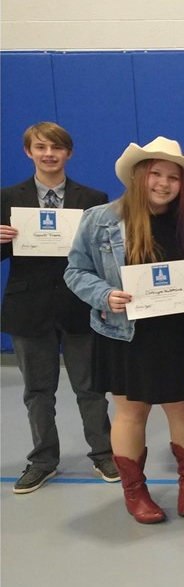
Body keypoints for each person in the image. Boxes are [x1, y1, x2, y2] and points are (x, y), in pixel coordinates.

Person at [64, 136, 184, 523]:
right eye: (156, 174)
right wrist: (105, 295)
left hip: (181, 331)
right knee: (130, 412)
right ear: (138, 176)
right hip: (125, 334)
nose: (164, 184)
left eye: (173, 177)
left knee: (182, 406)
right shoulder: (100, 220)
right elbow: (75, 271)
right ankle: (134, 492)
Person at [1, 121, 116, 494]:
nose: (48, 154)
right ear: (28, 152)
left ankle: (103, 453)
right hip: (29, 306)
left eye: (56, 148)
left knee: (91, 387)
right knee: (37, 391)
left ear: (69, 153)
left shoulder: (93, 198)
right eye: (40, 147)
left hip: (80, 304)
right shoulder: (7, 198)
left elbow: (103, 256)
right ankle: (43, 461)